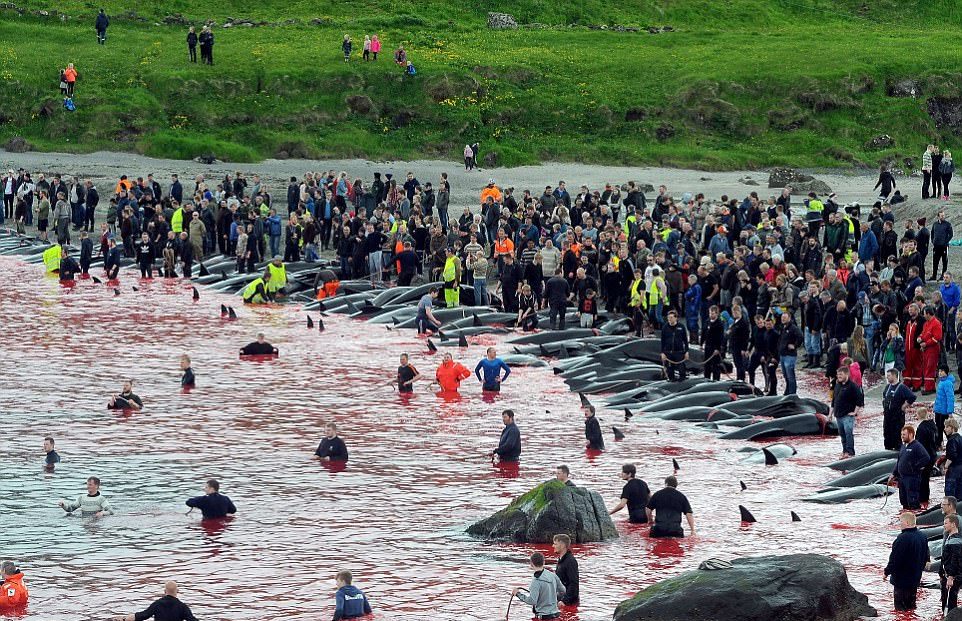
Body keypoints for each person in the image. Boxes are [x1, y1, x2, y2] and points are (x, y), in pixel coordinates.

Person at [884, 511, 929, 611]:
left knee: (900, 609)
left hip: (901, 580)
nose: (900, 524)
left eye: (901, 522)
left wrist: (886, 572)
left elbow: (895, 559)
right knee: (911, 607)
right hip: (915, 578)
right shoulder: (922, 536)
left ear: (907, 523)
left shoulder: (902, 538)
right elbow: (926, 555)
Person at [511, 552, 565, 620]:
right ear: (544, 562)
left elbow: (532, 601)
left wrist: (518, 594)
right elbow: (563, 590)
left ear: (531, 564)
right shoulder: (553, 575)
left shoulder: (536, 581)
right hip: (556, 615)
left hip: (543, 617)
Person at [889, 425, 931, 510]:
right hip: (902, 478)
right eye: (901, 435)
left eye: (904, 434)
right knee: (904, 501)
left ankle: (915, 518)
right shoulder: (903, 446)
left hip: (912, 478)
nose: (902, 437)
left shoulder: (917, 446)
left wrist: (916, 467)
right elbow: (899, 461)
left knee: (912, 501)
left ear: (911, 434)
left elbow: (926, 458)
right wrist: (893, 474)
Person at [110, 581, 197, 621]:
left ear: (164, 591)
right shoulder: (183, 607)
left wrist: (124, 619)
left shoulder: (157, 604)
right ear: (177, 592)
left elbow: (143, 615)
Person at [830, 366, 863, 458]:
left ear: (847, 374)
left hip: (847, 415)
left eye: (841, 374)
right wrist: (830, 414)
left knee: (848, 433)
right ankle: (844, 451)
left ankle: (850, 452)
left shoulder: (853, 386)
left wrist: (855, 412)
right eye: (838, 374)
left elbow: (860, 399)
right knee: (842, 434)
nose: (838, 376)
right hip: (838, 415)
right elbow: (834, 400)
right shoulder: (837, 385)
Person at [882, 369, 916, 451]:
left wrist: (904, 406)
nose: (887, 377)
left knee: (897, 435)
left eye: (889, 375)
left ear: (894, 375)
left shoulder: (902, 387)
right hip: (887, 416)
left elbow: (912, 397)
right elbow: (884, 397)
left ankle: (898, 451)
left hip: (897, 416)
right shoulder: (887, 387)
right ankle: (888, 449)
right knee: (887, 434)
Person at [940, 514, 962, 613]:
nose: (944, 525)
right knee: (945, 600)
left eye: (946, 523)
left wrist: (951, 577)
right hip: (947, 575)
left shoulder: (956, 541)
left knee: (950, 601)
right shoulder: (950, 538)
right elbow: (945, 558)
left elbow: (955, 560)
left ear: (953, 524)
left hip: (953, 577)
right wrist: (941, 573)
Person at [778, 312, 803, 395]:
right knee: (786, 375)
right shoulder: (782, 327)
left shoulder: (793, 328)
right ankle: (788, 390)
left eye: (784, 318)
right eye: (782, 317)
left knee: (790, 376)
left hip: (790, 355)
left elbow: (800, 336)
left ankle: (792, 393)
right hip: (782, 354)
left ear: (789, 318)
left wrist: (795, 345)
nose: (783, 319)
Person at [661, 311, 691, 381]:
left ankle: (682, 381)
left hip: (679, 352)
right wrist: (662, 353)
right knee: (670, 370)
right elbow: (663, 341)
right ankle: (672, 381)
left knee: (681, 369)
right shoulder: (665, 328)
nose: (669, 319)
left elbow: (685, 340)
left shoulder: (681, 327)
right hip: (669, 352)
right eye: (668, 318)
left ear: (676, 318)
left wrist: (686, 351)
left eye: (671, 317)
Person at [552, 534, 579, 606]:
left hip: (569, 603)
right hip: (560, 598)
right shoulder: (561, 560)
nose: (553, 546)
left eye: (555, 544)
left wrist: (564, 601)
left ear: (562, 545)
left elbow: (574, 583)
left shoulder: (570, 561)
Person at [935, 364, 956, 443]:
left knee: (944, 428)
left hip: (944, 411)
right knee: (938, 427)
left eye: (942, 371)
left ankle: (952, 442)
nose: (940, 373)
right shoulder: (941, 382)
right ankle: (939, 442)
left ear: (946, 372)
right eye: (939, 371)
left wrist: (950, 411)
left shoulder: (947, 383)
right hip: (939, 410)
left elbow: (950, 398)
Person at [945, 418, 962, 499]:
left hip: (954, 469)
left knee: (950, 494)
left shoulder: (951, 440)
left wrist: (945, 466)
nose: (945, 429)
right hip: (960, 467)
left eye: (947, 427)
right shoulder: (960, 438)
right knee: (959, 492)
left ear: (952, 427)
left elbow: (951, 455)